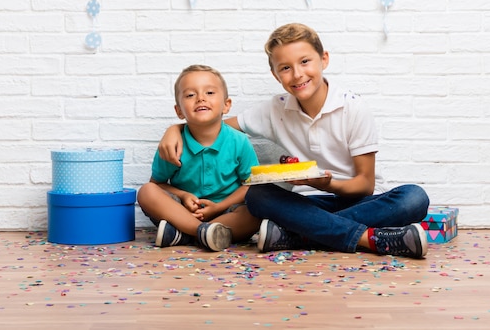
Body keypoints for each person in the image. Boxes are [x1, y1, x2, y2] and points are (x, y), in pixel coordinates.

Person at [158, 24, 430, 259]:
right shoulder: (274, 109)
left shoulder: (353, 108)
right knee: (258, 195)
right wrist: (176, 128)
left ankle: (297, 236)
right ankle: (368, 238)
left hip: (358, 202)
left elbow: (365, 184)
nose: (297, 74)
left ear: (324, 59)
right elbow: (214, 124)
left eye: (305, 62)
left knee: (414, 198)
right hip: (305, 206)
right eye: (285, 68)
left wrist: (328, 184)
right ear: (276, 75)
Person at [137, 64, 261, 251]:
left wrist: (219, 207)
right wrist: (184, 195)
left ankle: (183, 235)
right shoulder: (172, 144)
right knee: (146, 192)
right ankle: (202, 233)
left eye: (210, 92)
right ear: (179, 111)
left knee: (258, 208)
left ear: (226, 105)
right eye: (190, 95)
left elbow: (251, 184)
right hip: (184, 212)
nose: (200, 98)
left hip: (227, 211)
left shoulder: (239, 141)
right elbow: (157, 184)